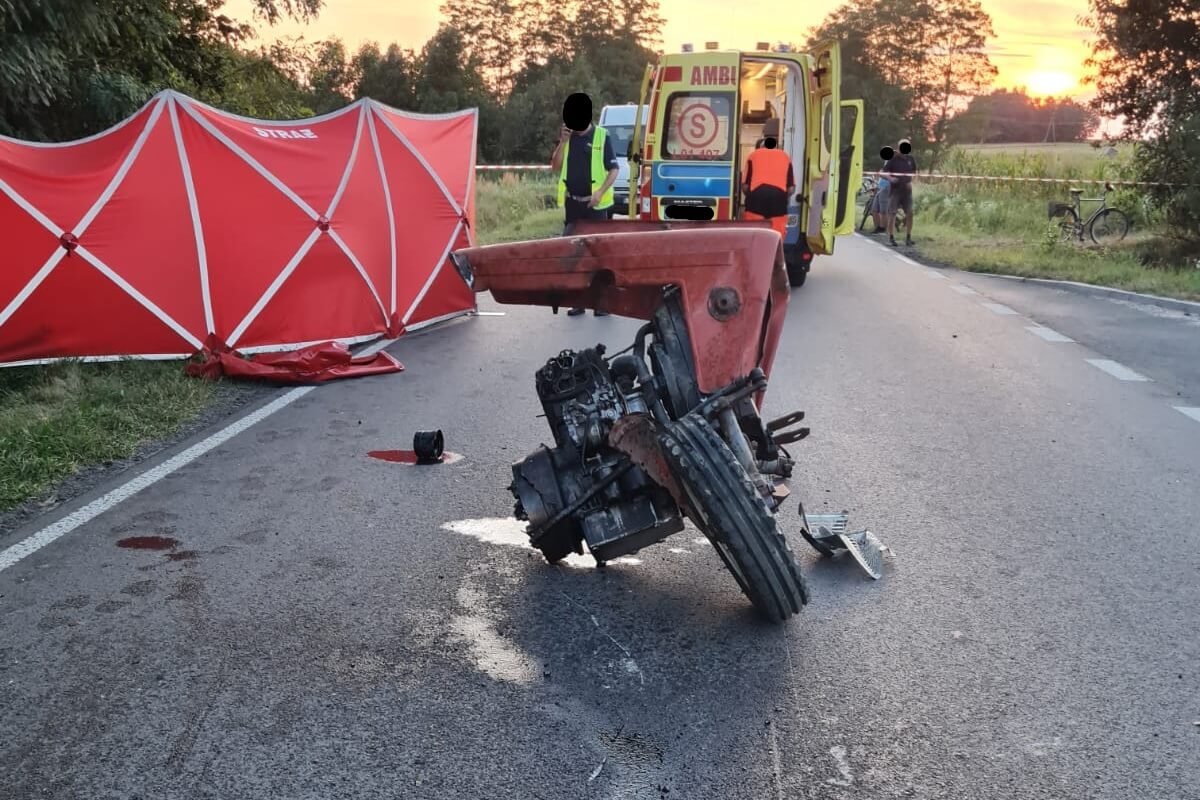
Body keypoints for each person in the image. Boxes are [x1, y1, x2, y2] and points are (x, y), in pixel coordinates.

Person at [551, 92, 619, 317]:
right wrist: (562, 142)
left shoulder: (601, 136)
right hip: (573, 205)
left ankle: (602, 302)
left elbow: (614, 169)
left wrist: (600, 192)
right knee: (575, 253)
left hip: (596, 207)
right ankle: (579, 301)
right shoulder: (568, 139)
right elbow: (556, 167)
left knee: (597, 254)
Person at [741, 120, 794, 238]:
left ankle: (754, 252)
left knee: (753, 233)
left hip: (757, 195)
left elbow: (745, 186)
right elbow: (790, 189)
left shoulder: (753, 156)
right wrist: (782, 197)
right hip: (778, 197)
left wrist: (750, 195)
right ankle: (774, 252)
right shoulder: (786, 157)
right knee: (776, 234)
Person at [885, 138, 917, 247]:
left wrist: (910, 180)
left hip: (907, 191)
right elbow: (884, 172)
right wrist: (891, 179)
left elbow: (914, 172)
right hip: (895, 190)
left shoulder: (910, 159)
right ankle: (891, 237)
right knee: (892, 214)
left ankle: (908, 237)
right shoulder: (892, 159)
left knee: (910, 212)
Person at [872, 146, 894, 233]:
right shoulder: (887, 161)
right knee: (874, 209)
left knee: (883, 210)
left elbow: (891, 176)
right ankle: (877, 227)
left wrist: (882, 174)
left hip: (886, 187)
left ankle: (883, 228)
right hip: (880, 186)